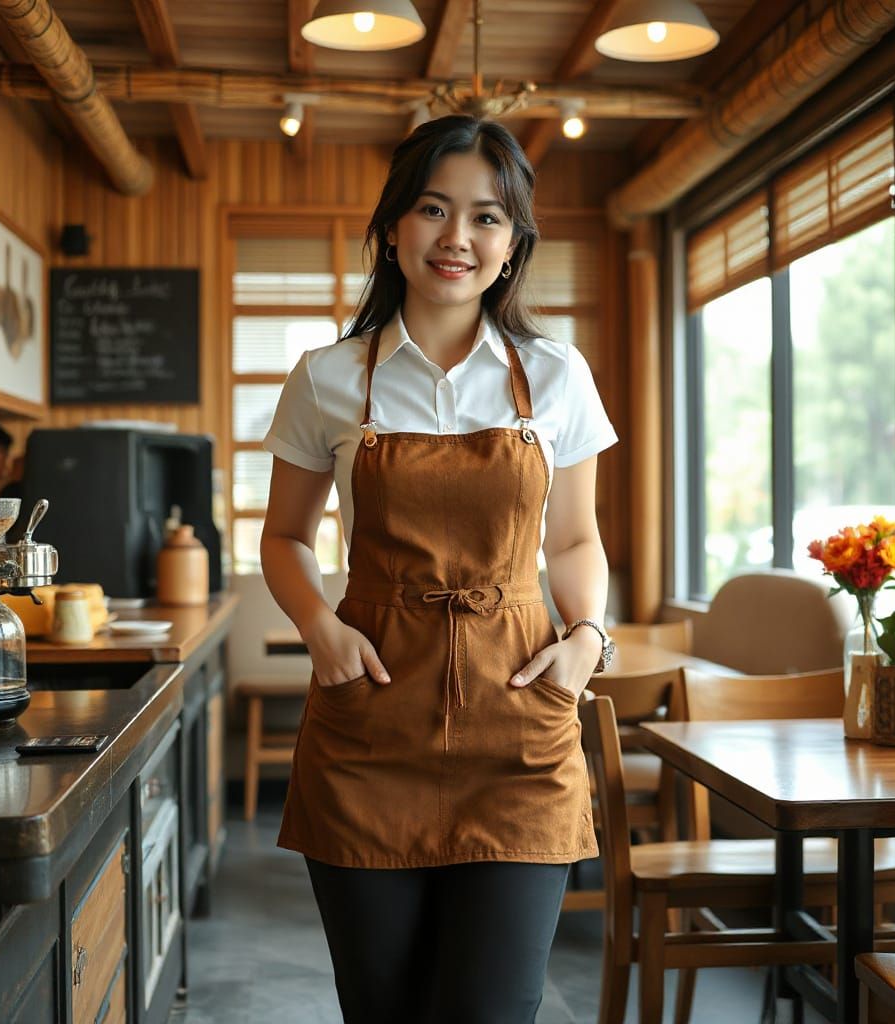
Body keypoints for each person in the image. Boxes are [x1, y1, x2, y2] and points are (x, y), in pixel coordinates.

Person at [260, 115, 617, 1024]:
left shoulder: (557, 374)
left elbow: (575, 539)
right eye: (432, 209)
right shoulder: (328, 377)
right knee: (382, 1009)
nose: (457, 237)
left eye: (487, 217)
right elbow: (286, 538)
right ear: (392, 228)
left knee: (495, 1009)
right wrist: (320, 628)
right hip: (369, 725)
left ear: (513, 242)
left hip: (521, 732)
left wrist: (586, 640)